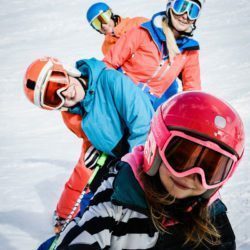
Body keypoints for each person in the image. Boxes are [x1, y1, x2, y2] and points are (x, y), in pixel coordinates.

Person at [55, 91, 244, 249]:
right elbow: (85, 236)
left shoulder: (213, 218)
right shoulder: (118, 200)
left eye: (209, 170)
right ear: (156, 148)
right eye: (180, 158)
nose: (190, 176)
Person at [23, 56, 154, 232]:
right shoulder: (73, 115)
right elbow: (84, 164)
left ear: (67, 71)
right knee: (92, 193)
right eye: (55, 99)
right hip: (121, 159)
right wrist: (95, 147)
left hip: (149, 153)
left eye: (59, 83)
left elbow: (143, 125)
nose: (66, 94)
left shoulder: (110, 81)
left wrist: (129, 172)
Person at [103, 0, 204, 110]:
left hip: (149, 107)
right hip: (121, 94)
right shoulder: (144, 32)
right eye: (181, 7)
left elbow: (192, 90)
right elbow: (109, 63)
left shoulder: (189, 51)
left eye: (192, 11)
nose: (185, 15)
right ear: (170, 7)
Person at [87, 2, 179, 110]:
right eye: (97, 24)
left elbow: (163, 39)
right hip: (143, 90)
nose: (103, 25)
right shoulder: (106, 47)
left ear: (111, 13)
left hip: (162, 76)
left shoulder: (137, 23)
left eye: (104, 18)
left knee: (174, 108)